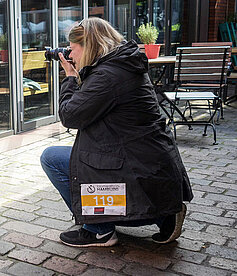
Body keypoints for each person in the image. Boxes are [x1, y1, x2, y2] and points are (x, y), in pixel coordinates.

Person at [40, 17, 193, 247]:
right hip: (150, 165)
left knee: (52, 158)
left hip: (136, 167)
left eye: (73, 50)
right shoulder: (122, 64)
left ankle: (98, 230)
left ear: (89, 46)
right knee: (85, 154)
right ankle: (165, 216)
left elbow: (70, 116)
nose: (70, 56)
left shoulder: (107, 76)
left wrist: (71, 78)